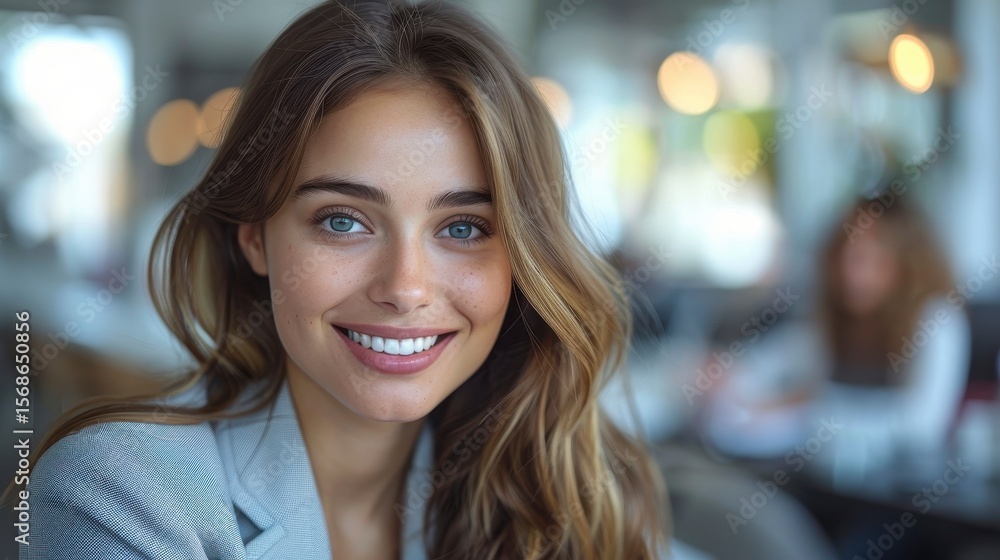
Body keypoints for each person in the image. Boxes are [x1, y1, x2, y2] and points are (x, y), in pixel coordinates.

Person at [5, 1, 670, 558]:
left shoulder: (570, 494)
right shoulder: (121, 495)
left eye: (464, 228)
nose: (405, 288)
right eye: (344, 221)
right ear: (254, 236)